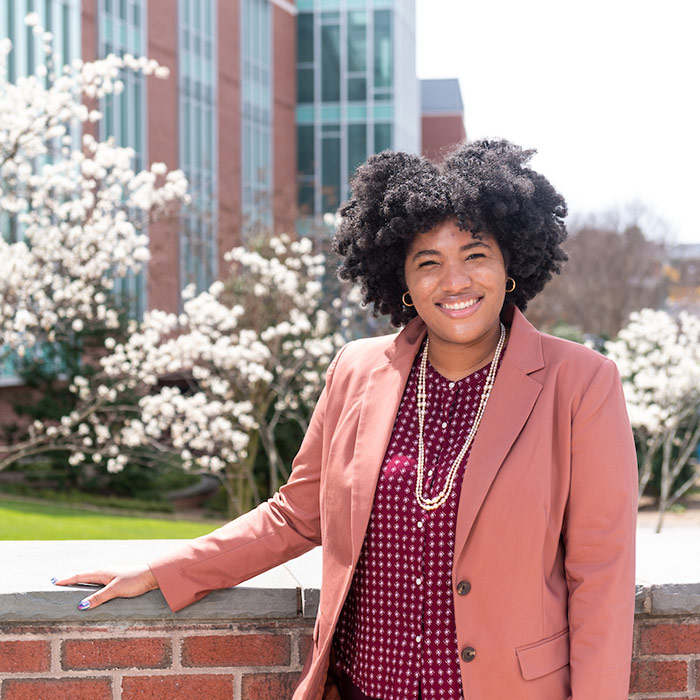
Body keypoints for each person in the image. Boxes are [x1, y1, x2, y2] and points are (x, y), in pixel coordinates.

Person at [55, 139, 638, 700]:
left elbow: (601, 576)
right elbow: (295, 515)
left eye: (475, 255)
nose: (454, 281)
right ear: (402, 282)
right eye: (427, 262)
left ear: (511, 261)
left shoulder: (580, 383)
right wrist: (162, 570)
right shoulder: (357, 371)